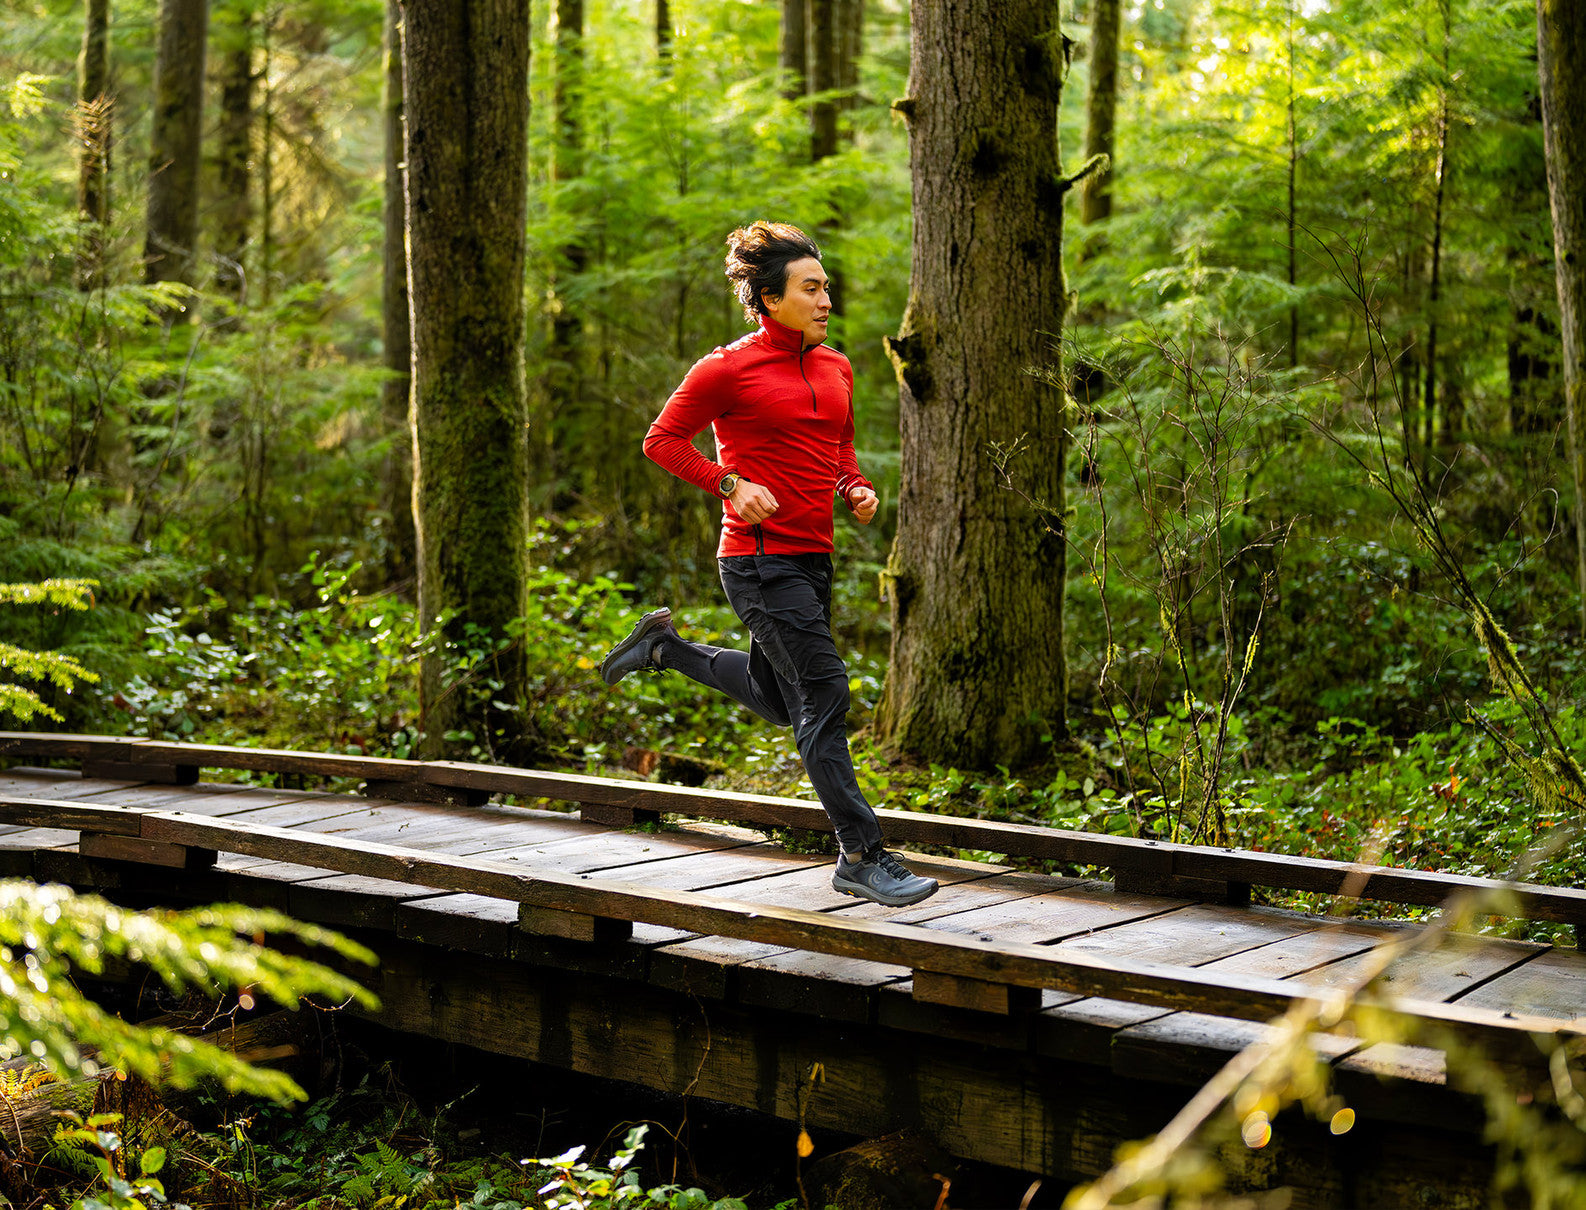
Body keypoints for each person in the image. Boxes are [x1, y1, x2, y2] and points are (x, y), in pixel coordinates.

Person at [596, 221, 938, 908]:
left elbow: (838, 445)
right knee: (824, 693)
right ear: (769, 298)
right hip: (756, 561)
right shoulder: (726, 367)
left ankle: (664, 648)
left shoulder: (836, 365)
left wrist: (855, 487)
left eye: (826, 287)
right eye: (811, 288)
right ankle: (861, 855)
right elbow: (661, 440)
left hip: (813, 556)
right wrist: (729, 483)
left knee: (782, 699)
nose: (825, 299)